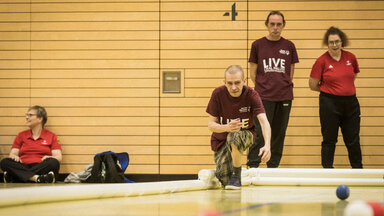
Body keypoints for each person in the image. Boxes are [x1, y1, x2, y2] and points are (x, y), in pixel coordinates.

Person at [247, 11, 299, 168]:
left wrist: (282, 85)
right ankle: (252, 165)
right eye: (272, 24)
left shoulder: (289, 46)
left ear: (283, 25)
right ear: (267, 25)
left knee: (278, 134)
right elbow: (252, 72)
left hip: (284, 97)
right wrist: (264, 87)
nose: (275, 28)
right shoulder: (257, 45)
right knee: (260, 133)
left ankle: (273, 168)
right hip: (263, 97)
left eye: (278, 24)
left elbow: (290, 72)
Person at [206, 65, 271, 189]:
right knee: (224, 178)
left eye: (237, 83)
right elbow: (211, 125)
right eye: (229, 83)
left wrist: (267, 144)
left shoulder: (252, 95)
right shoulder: (218, 94)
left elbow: (264, 121)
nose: (234, 87)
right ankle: (232, 175)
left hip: (246, 134)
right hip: (223, 137)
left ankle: (237, 176)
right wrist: (226, 127)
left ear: (244, 81)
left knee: (235, 135)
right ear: (224, 82)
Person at [309, 26, 363, 168]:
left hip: (351, 104)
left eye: (337, 41)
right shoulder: (321, 61)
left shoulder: (351, 57)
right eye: (331, 42)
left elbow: (353, 75)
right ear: (327, 43)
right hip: (329, 104)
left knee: (353, 140)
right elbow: (313, 84)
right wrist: (331, 90)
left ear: (342, 42)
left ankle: (358, 170)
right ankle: (327, 171)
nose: (334, 45)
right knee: (329, 140)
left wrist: (343, 88)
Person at [0, 105, 62, 183]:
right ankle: (38, 178)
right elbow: (12, 154)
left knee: (53, 163)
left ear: (40, 118)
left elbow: (59, 158)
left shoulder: (51, 136)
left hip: (41, 165)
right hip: (23, 165)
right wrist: (14, 156)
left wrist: (49, 157)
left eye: (30, 115)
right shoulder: (21, 135)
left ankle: (17, 177)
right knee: (5, 162)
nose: (27, 117)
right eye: (26, 115)